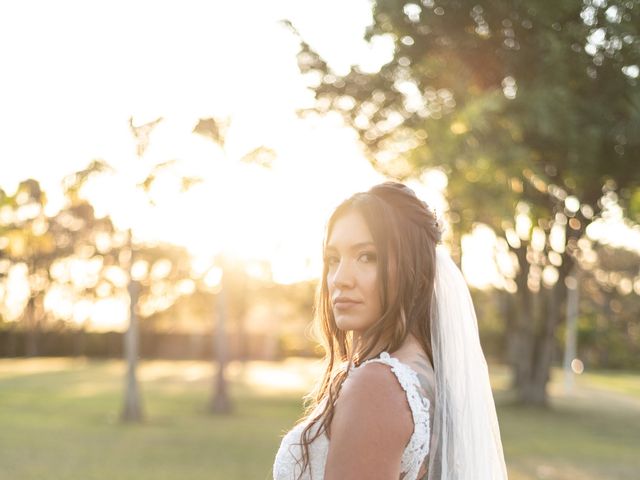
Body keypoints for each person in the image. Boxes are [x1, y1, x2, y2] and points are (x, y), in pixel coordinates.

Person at [273, 181, 508, 480]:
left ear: (417, 273)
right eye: (333, 259)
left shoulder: (377, 386)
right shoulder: (423, 374)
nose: (340, 279)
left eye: (367, 257)